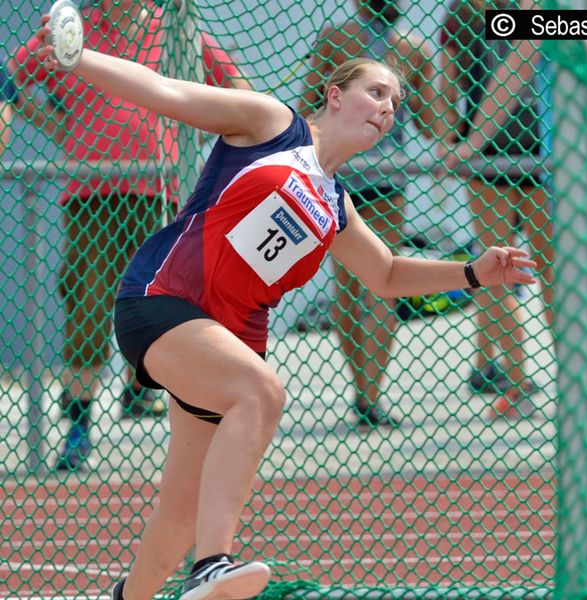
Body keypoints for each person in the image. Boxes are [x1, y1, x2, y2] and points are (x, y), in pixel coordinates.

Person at [37, 12, 536, 598]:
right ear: (334, 94)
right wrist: (78, 59)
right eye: (375, 91)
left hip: (222, 343)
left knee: (179, 513)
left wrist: (474, 272)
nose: (387, 107)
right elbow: (164, 92)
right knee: (263, 392)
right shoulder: (273, 125)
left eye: (396, 102)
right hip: (163, 300)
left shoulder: (336, 205)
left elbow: (388, 274)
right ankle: (213, 565)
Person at [9, 0, 251, 471]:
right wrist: (52, 125)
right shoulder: (71, 29)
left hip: (161, 190)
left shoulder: (179, 28)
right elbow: (12, 76)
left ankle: (145, 394)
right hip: (89, 193)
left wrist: (195, 138)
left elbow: (238, 95)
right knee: (89, 305)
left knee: (166, 304)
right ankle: (78, 426)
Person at [299, 0, 447, 428]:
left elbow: (308, 102)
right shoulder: (410, 48)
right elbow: (433, 121)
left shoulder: (337, 40)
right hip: (379, 174)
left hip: (346, 171)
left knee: (351, 285)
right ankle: (369, 392)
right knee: (381, 282)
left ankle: (364, 391)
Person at [438, 0, 554, 418]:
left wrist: (452, 141)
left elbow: (447, 85)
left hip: (496, 153)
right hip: (537, 149)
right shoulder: (534, 9)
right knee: (549, 273)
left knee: (499, 270)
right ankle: (569, 382)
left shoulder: (465, 11)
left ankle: (520, 383)